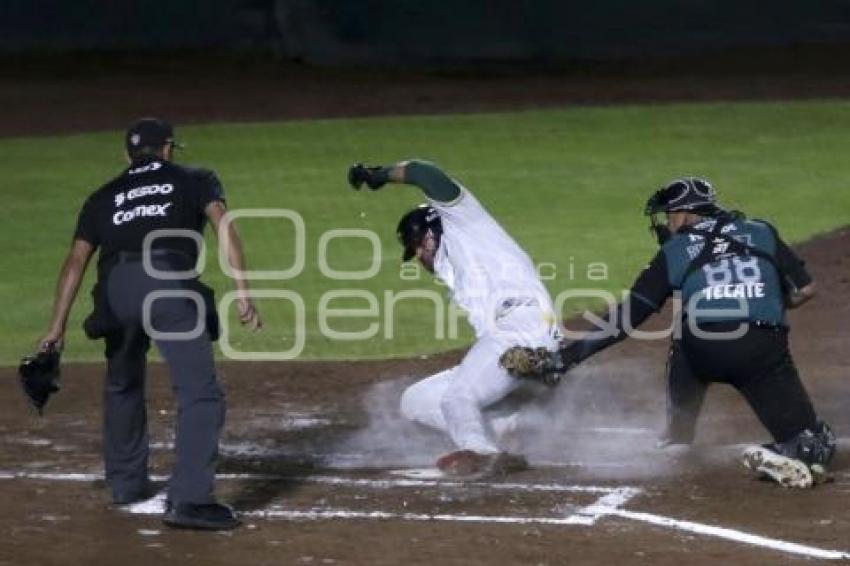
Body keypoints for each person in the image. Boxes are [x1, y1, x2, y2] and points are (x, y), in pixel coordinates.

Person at [500, 177, 835, 488]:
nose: (667, 222)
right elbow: (806, 290)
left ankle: (677, 437)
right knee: (813, 440)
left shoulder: (675, 251)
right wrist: (766, 300)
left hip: (702, 349)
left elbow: (626, 318)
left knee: (683, 339)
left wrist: (564, 359)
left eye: (670, 214)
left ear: (686, 213)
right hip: (760, 351)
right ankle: (794, 452)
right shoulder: (761, 231)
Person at [38, 117, 262, 529]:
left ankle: (126, 484)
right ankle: (191, 501)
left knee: (122, 382)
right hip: (166, 283)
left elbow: (75, 262)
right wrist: (243, 290)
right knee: (200, 393)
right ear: (169, 149)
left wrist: (55, 327)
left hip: (114, 289)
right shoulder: (196, 178)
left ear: (127, 155)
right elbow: (222, 226)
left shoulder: (103, 195)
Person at [349, 160, 560, 478]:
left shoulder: (464, 222)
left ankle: (482, 451)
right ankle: (506, 428)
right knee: (415, 401)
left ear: (430, 235)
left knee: (458, 397)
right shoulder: (455, 273)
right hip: (508, 337)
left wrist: (378, 176)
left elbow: (424, 173)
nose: (418, 256)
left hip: (523, 324)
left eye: (417, 246)